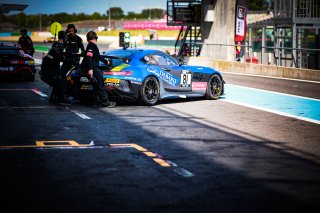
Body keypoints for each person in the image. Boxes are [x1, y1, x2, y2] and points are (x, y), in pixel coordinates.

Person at [81, 31, 116, 108]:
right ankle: (105, 102)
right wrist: (90, 69)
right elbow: (88, 57)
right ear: (95, 38)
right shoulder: (91, 46)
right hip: (93, 69)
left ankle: (95, 103)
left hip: (90, 68)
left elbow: (98, 56)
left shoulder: (91, 46)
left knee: (96, 85)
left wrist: (106, 61)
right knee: (100, 85)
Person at [40, 31, 70, 105]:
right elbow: (60, 58)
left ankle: (54, 98)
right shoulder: (58, 45)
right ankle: (60, 99)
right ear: (64, 37)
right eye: (66, 37)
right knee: (62, 82)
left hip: (49, 69)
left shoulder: (57, 44)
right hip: (49, 71)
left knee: (59, 81)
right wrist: (68, 59)